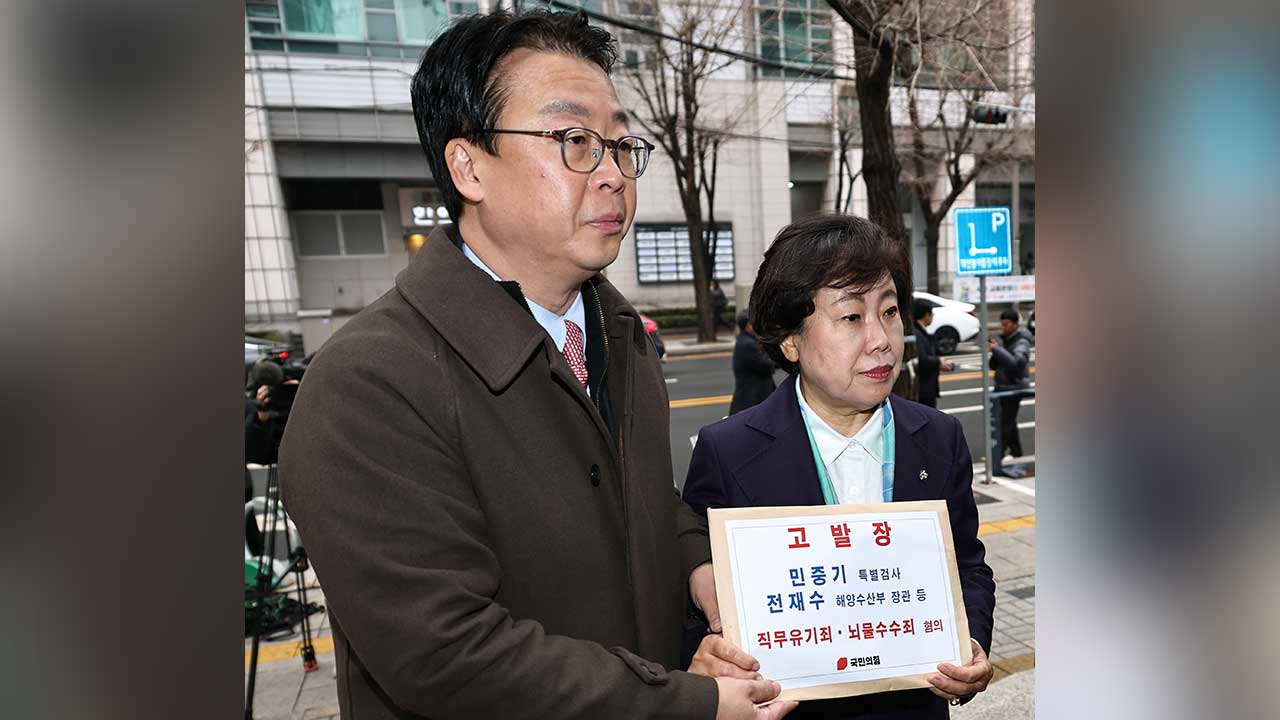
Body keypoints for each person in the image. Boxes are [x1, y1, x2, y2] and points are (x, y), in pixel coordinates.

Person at [278, 10, 792, 720]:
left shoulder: (621, 335)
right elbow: (446, 655)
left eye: (618, 143)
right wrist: (689, 703)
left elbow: (637, 500)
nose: (612, 174)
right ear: (468, 166)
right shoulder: (369, 383)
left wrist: (696, 565)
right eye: (574, 140)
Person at [682, 214, 995, 719]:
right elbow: (700, 604)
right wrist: (713, 659)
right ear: (790, 341)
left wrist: (972, 644)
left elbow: (967, 566)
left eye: (890, 312)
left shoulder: (939, 439)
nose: (881, 339)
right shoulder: (728, 450)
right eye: (851, 317)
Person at [988, 308, 1033, 462]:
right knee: (1009, 421)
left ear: (1015, 324)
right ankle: (1016, 451)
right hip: (1004, 386)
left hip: (1014, 387)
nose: (1003, 328)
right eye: (1002, 325)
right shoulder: (1006, 339)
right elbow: (995, 365)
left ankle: (998, 455)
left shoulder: (1022, 341)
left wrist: (997, 350)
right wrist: (995, 351)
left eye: (1006, 324)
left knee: (1005, 422)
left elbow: (1016, 364)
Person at [729, 308, 776, 415]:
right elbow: (767, 366)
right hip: (753, 398)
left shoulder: (747, 340)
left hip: (753, 397)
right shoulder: (748, 345)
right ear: (749, 325)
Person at [911, 301, 953, 408]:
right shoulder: (917, 334)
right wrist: (938, 362)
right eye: (931, 314)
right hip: (923, 390)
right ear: (926, 315)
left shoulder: (919, 332)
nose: (932, 317)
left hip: (925, 389)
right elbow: (921, 359)